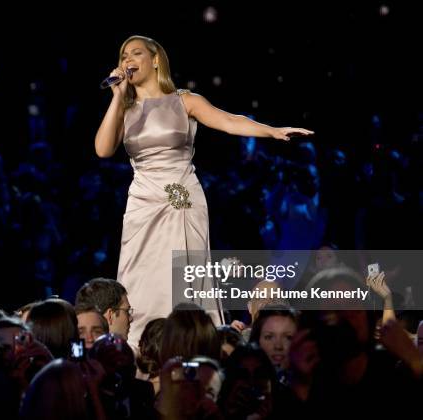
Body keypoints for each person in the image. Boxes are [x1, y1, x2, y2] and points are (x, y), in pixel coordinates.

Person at [94, 35, 314, 350]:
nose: (128, 58)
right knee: (140, 273)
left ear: (156, 59)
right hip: (143, 199)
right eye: (124, 54)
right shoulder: (125, 109)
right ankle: (139, 348)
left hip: (182, 198)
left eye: (136, 52)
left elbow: (228, 121)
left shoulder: (184, 101)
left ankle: (193, 343)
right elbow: (103, 149)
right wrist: (117, 96)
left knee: (183, 275)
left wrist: (272, 131)